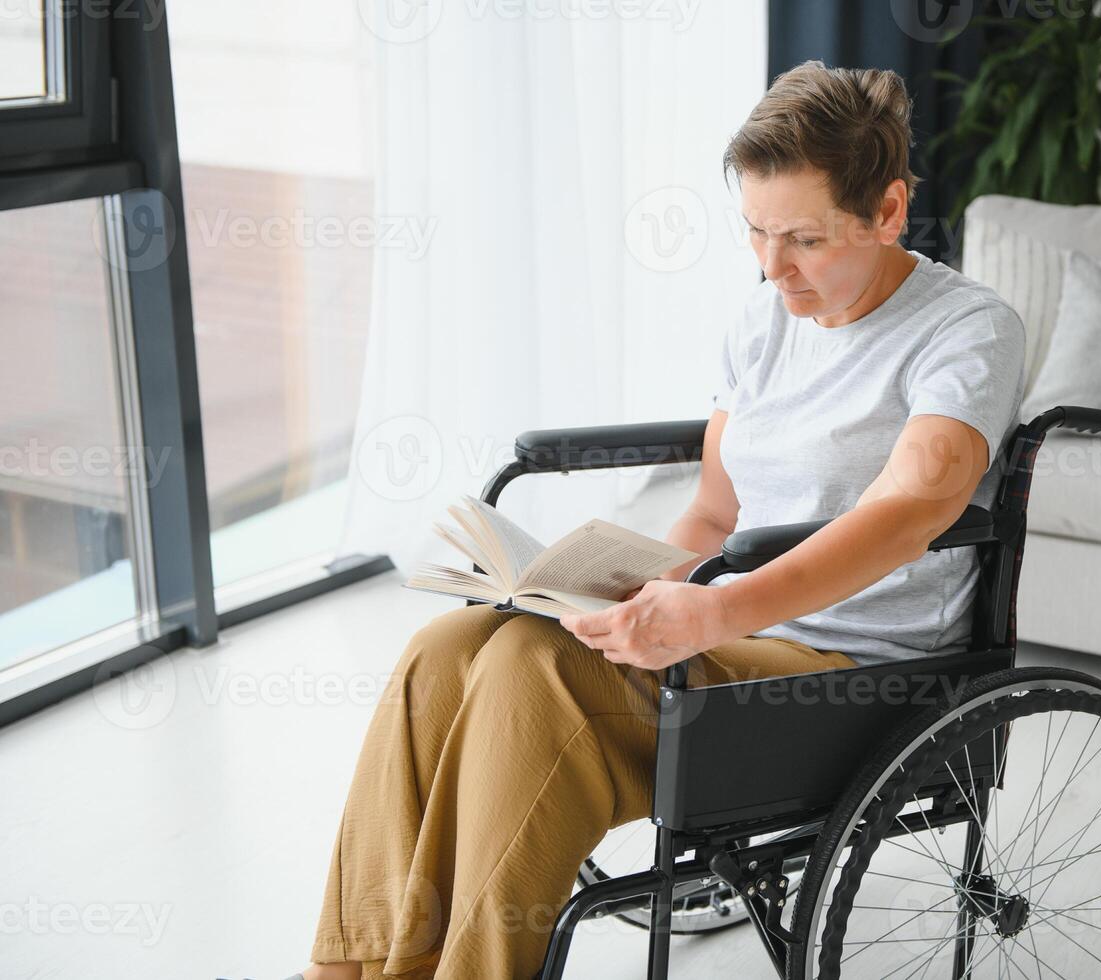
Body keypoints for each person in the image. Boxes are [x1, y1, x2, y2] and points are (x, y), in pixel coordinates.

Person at [296, 59, 1025, 980]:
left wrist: (718, 612)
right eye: (756, 231)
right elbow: (715, 512)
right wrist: (606, 588)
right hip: (733, 647)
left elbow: (911, 509)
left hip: (860, 676)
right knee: (445, 651)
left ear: (886, 212)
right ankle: (353, 968)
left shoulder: (966, 329)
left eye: (803, 237)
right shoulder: (764, 322)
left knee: (534, 672)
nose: (773, 266)